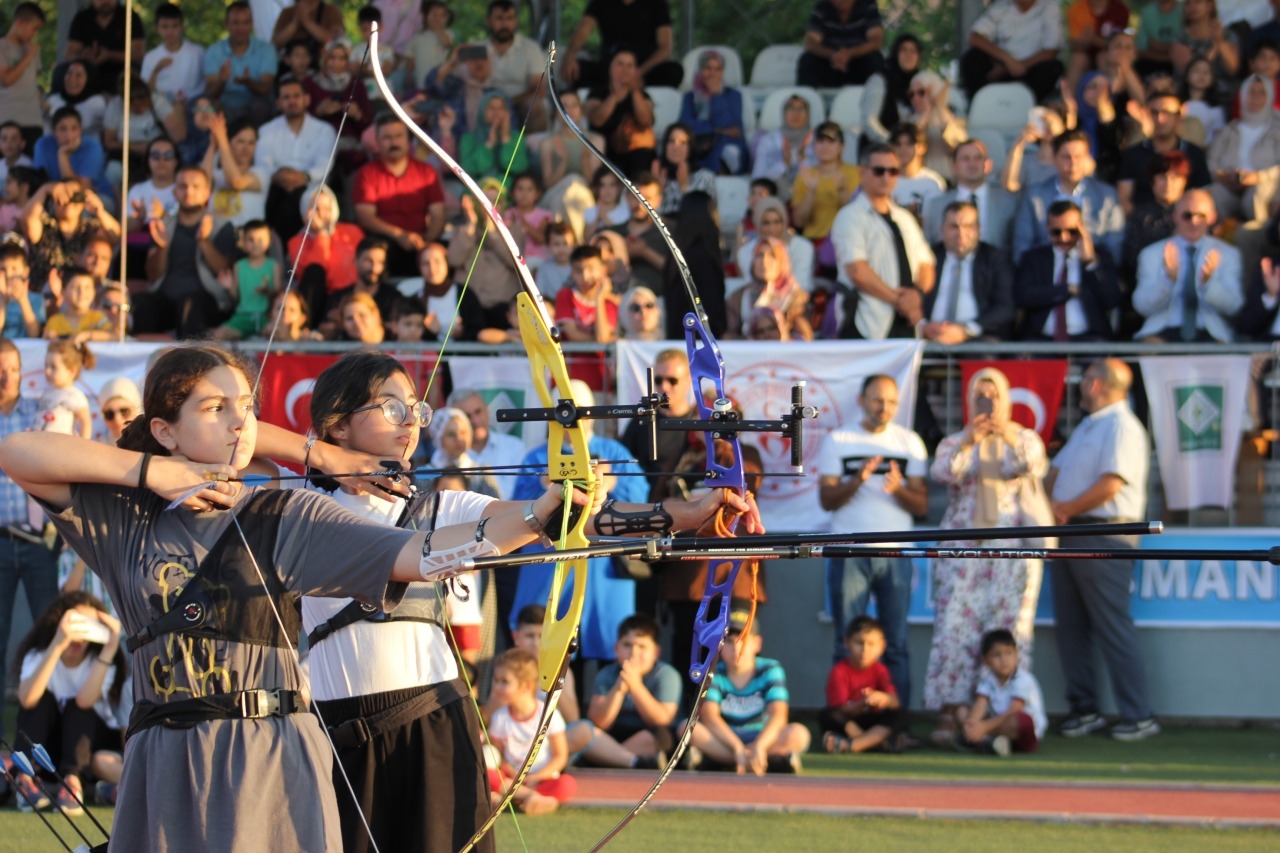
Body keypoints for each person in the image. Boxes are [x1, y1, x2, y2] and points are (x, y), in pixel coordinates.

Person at [0, 343, 599, 850]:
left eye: (246, 409)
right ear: (164, 430)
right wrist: (153, 473)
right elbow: (17, 453)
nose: (239, 422)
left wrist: (540, 514)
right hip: (163, 759)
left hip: (268, 752)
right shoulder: (124, 518)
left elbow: (415, 554)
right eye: (214, 408)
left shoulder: (285, 511)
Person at [923, 367, 1048, 746]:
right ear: (970, 400)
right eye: (981, 396)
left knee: (1008, 630)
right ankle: (952, 712)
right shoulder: (958, 440)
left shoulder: (1022, 437)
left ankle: (1005, 714)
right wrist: (967, 438)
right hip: (963, 552)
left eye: (995, 397)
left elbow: (1032, 463)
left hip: (1009, 552)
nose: (988, 403)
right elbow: (942, 472)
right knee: (954, 631)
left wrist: (1004, 431)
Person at [1047, 357, 1158, 741]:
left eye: (1084, 379)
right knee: (1071, 625)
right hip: (1070, 531)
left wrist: (1062, 509)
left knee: (1112, 624)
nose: (1079, 386)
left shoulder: (1123, 426)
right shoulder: (1088, 426)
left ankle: (1138, 714)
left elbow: (1112, 484)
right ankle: (1084, 708)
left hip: (1104, 533)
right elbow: (1055, 473)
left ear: (1096, 384)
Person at [815, 374, 926, 707]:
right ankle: (840, 721)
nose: (885, 408)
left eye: (892, 401)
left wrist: (899, 488)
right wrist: (857, 480)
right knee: (845, 642)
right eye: (878, 400)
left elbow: (921, 506)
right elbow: (827, 500)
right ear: (861, 401)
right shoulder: (839, 440)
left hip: (895, 552)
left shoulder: (909, 442)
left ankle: (896, 726)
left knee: (896, 643)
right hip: (849, 551)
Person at [11, 590, 125, 815]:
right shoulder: (39, 655)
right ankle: (24, 779)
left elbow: (84, 701)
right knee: (39, 700)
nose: (80, 636)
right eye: (75, 624)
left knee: (77, 707)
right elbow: (26, 698)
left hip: (87, 747)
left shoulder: (100, 661)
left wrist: (111, 646)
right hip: (49, 748)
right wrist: (57, 644)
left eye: (89, 626)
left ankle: (72, 783)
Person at [0, 337, 58, 738]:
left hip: (40, 545)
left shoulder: (42, 413)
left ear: (22, 373)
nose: (4, 376)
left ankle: (40, 747)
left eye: (11, 369)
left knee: (47, 643)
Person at [686, 608, 810, 774]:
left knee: (799, 734)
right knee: (686, 729)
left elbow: (778, 715)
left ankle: (721, 760)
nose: (736, 649)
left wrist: (760, 745)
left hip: (763, 738)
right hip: (725, 739)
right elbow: (709, 716)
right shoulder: (713, 672)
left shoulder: (770, 669)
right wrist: (737, 747)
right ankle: (762, 760)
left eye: (743, 640)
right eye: (729, 642)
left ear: (757, 644)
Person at [831, 143, 935, 340]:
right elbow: (857, 271)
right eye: (879, 171)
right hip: (866, 320)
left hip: (906, 322)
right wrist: (902, 302)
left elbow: (926, 264)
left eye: (893, 171)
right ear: (862, 172)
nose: (886, 177)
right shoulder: (850, 216)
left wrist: (917, 295)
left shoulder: (905, 218)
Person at [1132, 189, 1243, 342]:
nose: (1194, 222)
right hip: (1162, 332)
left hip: (1211, 333)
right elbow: (1141, 306)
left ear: (1212, 217)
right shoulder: (1152, 253)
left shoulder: (1228, 254)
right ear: (1175, 217)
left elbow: (1234, 306)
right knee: (1148, 349)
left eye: (1201, 215)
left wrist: (1209, 283)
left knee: (1222, 354)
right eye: (1187, 215)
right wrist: (1168, 281)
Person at [135, 165, 231, 338]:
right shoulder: (162, 225)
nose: (189, 191)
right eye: (182, 186)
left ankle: (190, 362)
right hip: (166, 301)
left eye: (196, 186)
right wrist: (162, 247)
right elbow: (152, 275)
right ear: (174, 192)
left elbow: (223, 269)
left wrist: (204, 241)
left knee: (191, 304)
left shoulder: (221, 225)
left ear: (207, 193)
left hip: (206, 302)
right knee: (141, 303)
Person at [353, 115, 447, 277]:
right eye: (387, 138)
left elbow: (438, 214)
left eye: (398, 136)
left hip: (421, 240)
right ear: (377, 141)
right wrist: (399, 235)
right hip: (385, 243)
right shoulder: (367, 174)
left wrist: (426, 240)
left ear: (407, 139)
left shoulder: (426, 172)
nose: (394, 142)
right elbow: (365, 217)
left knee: (439, 253)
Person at [1012, 130, 1125, 263]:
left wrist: (1092, 261)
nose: (1073, 163)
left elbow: (1115, 250)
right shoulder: (1035, 196)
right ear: (1054, 158)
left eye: (1079, 156)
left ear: (1088, 158)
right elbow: (1021, 247)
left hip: (1091, 271)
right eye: (1066, 157)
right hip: (1046, 273)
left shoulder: (1107, 196)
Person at [485, 648, 577, 815]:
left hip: (540, 779)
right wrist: (510, 771)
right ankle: (529, 798)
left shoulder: (549, 715)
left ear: (527, 686)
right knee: (486, 771)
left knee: (566, 784)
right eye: (496, 680)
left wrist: (536, 777)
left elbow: (560, 756)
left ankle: (512, 799)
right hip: (510, 779)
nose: (497, 687)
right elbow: (498, 754)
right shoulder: (500, 718)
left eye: (504, 682)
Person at [1014, 199, 1122, 341]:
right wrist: (1068, 289)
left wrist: (1090, 263)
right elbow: (1023, 296)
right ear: (1048, 228)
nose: (1064, 238)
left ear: (1082, 228)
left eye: (1071, 231)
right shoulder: (1033, 258)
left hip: (1089, 339)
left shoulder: (1101, 257)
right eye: (1057, 232)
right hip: (1041, 339)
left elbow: (1112, 300)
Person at [587, 614, 681, 768]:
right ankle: (628, 760)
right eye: (627, 645)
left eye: (642, 647)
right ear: (616, 649)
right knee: (587, 731)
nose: (634, 652)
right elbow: (600, 722)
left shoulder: (667, 675)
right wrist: (619, 688)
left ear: (656, 652)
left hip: (649, 735)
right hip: (614, 734)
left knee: (651, 738)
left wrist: (635, 685)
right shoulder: (606, 674)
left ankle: (606, 758)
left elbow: (663, 719)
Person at [924, 201, 1016, 343]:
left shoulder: (995, 258)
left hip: (978, 336)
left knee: (985, 354)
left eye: (968, 226)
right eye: (954, 226)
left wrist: (965, 329)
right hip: (932, 335)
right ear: (942, 229)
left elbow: (1005, 307)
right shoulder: (928, 256)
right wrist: (924, 326)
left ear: (978, 229)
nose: (961, 233)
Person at [258, 78, 339, 242]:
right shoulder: (266, 130)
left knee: (301, 201)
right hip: (277, 186)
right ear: (278, 103)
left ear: (307, 99)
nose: (292, 101)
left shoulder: (324, 130)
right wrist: (281, 177)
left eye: (296, 96)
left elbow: (325, 163)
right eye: (286, 98)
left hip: (310, 186)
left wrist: (304, 177)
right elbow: (263, 163)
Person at [820, 616, 906, 753]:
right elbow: (840, 709)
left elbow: (895, 702)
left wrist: (882, 698)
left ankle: (851, 745)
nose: (865, 649)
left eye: (871, 644)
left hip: (873, 722)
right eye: (859, 643)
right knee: (829, 715)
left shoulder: (880, 669)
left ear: (882, 646)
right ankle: (878, 744)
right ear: (847, 642)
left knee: (898, 714)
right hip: (851, 722)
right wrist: (863, 703)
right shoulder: (839, 671)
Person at [1118, 90, 1213, 213]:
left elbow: (1205, 197)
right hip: (1143, 224)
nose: (1160, 118)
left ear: (1179, 116)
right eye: (1154, 112)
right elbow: (1124, 199)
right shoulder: (1133, 154)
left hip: (1185, 224)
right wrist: (1140, 224)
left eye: (1167, 113)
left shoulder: (1194, 154)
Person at [956, 629, 1047, 755]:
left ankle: (981, 740)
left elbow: (1014, 709)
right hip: (996, 726)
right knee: (962, 711)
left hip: (1020, 732)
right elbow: (980, 706)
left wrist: (984, 727)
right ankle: (987, 742)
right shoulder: (987, 681)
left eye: (1008, 653)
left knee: (1018, 720)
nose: (1004, 660)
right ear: (985, 660)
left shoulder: (1023, 679)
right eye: (997, 655)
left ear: (1016, 655)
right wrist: (972, 725)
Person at [560, 0, 683, 89]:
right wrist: (570, 55)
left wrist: (638, 72)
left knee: (675, 72)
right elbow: (583, 30)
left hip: (645, 67)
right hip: (610, 67)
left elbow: (665, 48)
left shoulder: (658, 4)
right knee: (575, 71)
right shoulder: (600, 2)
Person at [1206, 74, 1280, 223]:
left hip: (1265, 187)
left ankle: (1260, 239)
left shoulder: (1277, 128)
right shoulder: (1228, 130)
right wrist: (1223, 176)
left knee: (1255, 194)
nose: (1255, 97)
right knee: (1209, 196)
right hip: (1229, 185)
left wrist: (1258, 177)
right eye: (1251, 91)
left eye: (1262, 92)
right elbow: (1211, 161)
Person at [922, 140, 1019, 251]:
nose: (972, 164)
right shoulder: (936, 206)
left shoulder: (1007, 203)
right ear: (954, 166)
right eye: (965, 159)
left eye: (978, 158)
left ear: (988, 165)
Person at [961, 0, 1066, 102]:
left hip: (1031, 70)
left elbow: (1051, 51)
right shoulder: (1000, 6)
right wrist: (1007, 60)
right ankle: (979, 106)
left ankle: (1028, 108)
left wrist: (1018, 66)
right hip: (999, 66)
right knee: (972, 58)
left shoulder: (1049, 7)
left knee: (1053, 68)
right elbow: (974, 37)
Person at [288, 185, 364, 322]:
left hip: (348, 296)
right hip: (317, 301)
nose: (322, 214)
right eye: (316, 209)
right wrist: (322, 234)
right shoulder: (296, 241)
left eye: (327, 209)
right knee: (314, 271)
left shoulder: (352, 232)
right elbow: (312, 271)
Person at [661, 191, 726, 340]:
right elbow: (704, 301)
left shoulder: (678, 255)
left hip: (679, 335)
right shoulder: (703, 257)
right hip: (701, 339)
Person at [303, 39, 374, 173]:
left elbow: (368, 124)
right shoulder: (311, 83)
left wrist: (357, 115)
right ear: (324, 59)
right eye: (332, 57)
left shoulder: (356, 85)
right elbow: (299, 119)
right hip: (317, 144)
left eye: (342, 58)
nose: (336, 63)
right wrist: (319, 111)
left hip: (350, 146)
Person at [791, 122, 860, 258]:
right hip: (813, 242)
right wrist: (810, 192)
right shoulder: (805, 176)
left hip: (847, 241)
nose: (825, 146)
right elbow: (799, 222)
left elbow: (859, 214)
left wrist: (841, 191)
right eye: (820, 141)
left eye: (831, 141)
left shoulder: (856, 174)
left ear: (841, 146)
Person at [585, 49, 657, 179]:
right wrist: (614, 96)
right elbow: (596, 120)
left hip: (633, 152)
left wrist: (635, 92)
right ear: (610, 67)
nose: (625, 70)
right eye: (620, 64)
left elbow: (646, 121)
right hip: (605, 150)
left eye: (630, 65)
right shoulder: (597, 92)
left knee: (644, 154)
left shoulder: (642, 96)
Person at [203, 1, 278, 126]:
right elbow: (210, 94)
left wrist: (249, 82)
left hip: (255, 106)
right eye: (236, 23)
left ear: (252, 24)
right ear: (227, 24)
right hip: (225, 106)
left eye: (245, 23)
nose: (241, 28)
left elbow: (267, 89)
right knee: (205, 107)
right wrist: (221, 81)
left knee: (261, 106)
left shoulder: (266, 49)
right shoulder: (214, 50)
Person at [725, 237, 811, 341]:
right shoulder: (739, 298)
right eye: (760, 255)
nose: (764, 261)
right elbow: (729, 336)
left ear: (782, 261)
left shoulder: (796, 298)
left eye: (772, 255)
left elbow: (804, 338)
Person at [677, 49, 748, 175]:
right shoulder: (690, 97)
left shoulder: (734, 96)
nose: (713, 73)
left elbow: (731, 125)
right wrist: (718, 130)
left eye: (718, 69)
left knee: (727, 154)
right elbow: (686, 125)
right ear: (700, 70)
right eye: (708, 68)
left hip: (727, 145)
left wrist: (716, 96)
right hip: (700, 144)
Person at [483, 0, 547, 132]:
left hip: (520, 103)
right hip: (485, 103)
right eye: (499, 18)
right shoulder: (478, 48)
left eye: (509, 18)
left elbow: (538, 90)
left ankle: (533, 150)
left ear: (516, 21)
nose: (504, 24)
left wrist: (506, 103)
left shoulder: (530, 48)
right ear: (489, 21)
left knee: (535, 105)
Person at [214, 219, 280, 341]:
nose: (256, 244)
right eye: (251, 240)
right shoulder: (239, 266)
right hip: (243, 317)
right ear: (243, 242)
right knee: (218, 334)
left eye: (260, 240)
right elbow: (235, 298)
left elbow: (279, 296)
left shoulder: (273, 266)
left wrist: (267, 292)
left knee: (279, 334)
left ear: (269, 241)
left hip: (266, 317)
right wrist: (228, 287)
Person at [32, 108, 113, 204]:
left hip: (95, 197)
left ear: (80, 130)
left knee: (80, 210)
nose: (69, 135)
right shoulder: (43, 144)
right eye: (63, 129)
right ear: (54, 131)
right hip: (55, 196)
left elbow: (80, 190)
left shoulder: (92, 146)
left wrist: (63, 155)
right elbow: (41, 182)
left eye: (74, 129)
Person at [606, 171, 668, 295]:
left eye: (647, 199)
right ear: (626, 197)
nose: (640, 204)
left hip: (660, 301)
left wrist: (645, 252)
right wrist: (621, 253)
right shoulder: (611, 234)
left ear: (658, 200)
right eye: (635, 197)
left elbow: (681, 270)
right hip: (619, 300)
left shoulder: (670, 232)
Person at [738, 197, 816, 294]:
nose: (772, 229)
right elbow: (751, 285)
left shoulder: (802, 248)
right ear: (757, 223)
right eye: (766, 223)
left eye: (777, 222)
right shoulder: (746, 251)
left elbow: (802, 286)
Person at [798, 0, 885, 88]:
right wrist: (833, 55)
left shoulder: (867, 5)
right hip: (830, 62)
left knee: (875, 60)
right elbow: (811, 42)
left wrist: (848, 54)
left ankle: (879, 100)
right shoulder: (822, 7)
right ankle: (804, 100)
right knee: (808, 60)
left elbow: (876, 41)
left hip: (859, 62)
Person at [65, 0, 144, 95]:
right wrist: (83, 57)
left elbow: (138, 55)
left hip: (121, 72)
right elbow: (70, 55)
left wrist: (109, 55)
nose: (105, 1)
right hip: (89, 74)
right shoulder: (81, 18)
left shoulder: (130, 16)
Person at [905, 71, 967, 183]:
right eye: (911, 94)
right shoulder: (909, 120)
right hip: (918, 181)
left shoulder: (954, 119)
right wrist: (926, 112)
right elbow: (908, 141)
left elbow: (959, 146)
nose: (915, 98)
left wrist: (938, 105)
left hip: (949, 179)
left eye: (921, 92)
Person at [861, 35, 921, 146]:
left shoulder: (920, 82)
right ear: (895, 53)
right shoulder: (879, 79)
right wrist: (890, 141)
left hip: (911, 149)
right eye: (904, 50)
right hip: (880, 147)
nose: (909, 55)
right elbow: (870, 120)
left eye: (913, 51)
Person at [0, 3, 45, 151]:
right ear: (20, 23)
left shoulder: (32, 48)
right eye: (34, 28)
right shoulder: (2, 47)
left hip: (33, 121)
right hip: (6, 121)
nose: (35, 34)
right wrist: (28, 56)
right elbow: (6, 80)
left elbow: (33, 81)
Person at [141, 4, 206, 104]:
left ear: (182, 27)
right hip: (161, 107)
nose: (169, 31)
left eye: (174, 26)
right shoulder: (150, 57)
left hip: (193, 105)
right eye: (164, 26)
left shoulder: (198, 52)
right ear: (157, 28)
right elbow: (144, 93)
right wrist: (156, 71)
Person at [1170, 0, 1239, 89]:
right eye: (1188, 3)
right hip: (1189, 92)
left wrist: (1221, 42)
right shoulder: (1180, 37)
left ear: (1209, 5)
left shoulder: (1228, 35)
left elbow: (1232, 68)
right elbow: (1190, 71)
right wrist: (1215, 48)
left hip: (1222, 91)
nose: (1192, 7)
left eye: (1198, 2)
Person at [654, 123, 717, 217]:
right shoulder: (658, 175)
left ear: (690, 147)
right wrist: (656, 191)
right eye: (671, 141)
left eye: (683, 143)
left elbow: (705, 217)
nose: (676, 147)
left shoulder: (705, 178)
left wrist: (685, 188)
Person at [43, 60, 108, 144]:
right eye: (69, 73)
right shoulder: (53, 100)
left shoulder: (97, 102)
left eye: (78, 75)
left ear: (88, 79)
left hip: (87, 150)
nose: (72, 79)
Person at [889, 122, 946, 216]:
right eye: (898, 144)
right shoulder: (884, 179)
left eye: (909, 144)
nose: (903, 149)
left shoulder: (934, 182)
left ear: (922, 147)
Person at [43, 267, 107, 342]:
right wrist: (49, 337)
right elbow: (45, 340)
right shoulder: (54, 321)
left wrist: (88, 335)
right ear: (63, 291)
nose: (81, 292)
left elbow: (115, 335)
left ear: (94, 292)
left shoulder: (98, 318)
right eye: (75, 287)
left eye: (87, 287)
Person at [270, 0, 345, 63]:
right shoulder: (287, 13)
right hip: (291, 69)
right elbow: (274, 43)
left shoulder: (331, 11)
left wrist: (306, 21)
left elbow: (335, 40)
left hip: (322, 67)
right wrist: (294, 24)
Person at [0, 243, 45, 338]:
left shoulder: (37, 299)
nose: (8, 275)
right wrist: (3, 302)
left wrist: (23, 300)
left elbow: (34, 334)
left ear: (25, 272)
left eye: (14, 269)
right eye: (3, 269)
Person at [96, 377, 141, 444]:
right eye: (109, 414)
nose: (117, 419)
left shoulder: (153, 443)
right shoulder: (99, 446)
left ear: (136, 410)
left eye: (124, 411)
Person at [536, 221, 575, 298]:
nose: (561, 249)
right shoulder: (544, 269)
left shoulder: (577, 266)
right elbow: (540, 294)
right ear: (548, 246)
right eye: (556, 244)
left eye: (565, 243)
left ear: (573, 245)